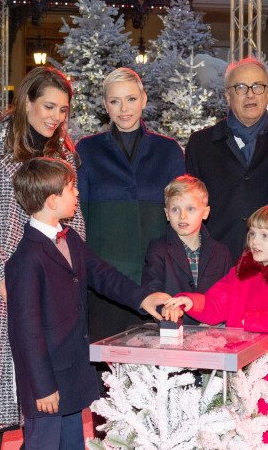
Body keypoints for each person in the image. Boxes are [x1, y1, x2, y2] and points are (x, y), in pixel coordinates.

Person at [0, 67, 86, 449]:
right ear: (26, 101)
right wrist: (1, 275)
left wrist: (69, 282)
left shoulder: (64, 156)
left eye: (63, 110)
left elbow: (74, 224)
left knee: (46, 404)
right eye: (48, 106)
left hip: (49, 294)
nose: (55, 117)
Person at [6, 157, 169, 450]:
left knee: (72, 443)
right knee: (43, 444)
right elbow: (25, 331)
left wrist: (144, 298)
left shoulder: (70, 239)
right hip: (46, 384)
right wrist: (42, 387)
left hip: (71, 371)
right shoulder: (26, 259)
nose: (78, 193)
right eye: (72, 188)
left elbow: (104, 275)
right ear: (53, 200)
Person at [164, 204, 268, 449]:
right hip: (241, 373)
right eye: (253, 233)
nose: (256, 241)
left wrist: (260, 319)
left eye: (266, 235)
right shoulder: (241, 274)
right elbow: (214, 304)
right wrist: (190, 300)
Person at [76, 67, 185, 343]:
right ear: (105, 106)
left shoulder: (168, 150)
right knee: (106, 372)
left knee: (157, 371)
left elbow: (181, 217)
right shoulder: (87, 151)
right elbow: (79, 220)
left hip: (156, 280)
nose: (124, 108)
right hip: (105, 285)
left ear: (144, 99)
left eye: (131, 99)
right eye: (115, 101)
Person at [185, 57, 268, 262]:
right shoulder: (200, 145)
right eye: (241, 87)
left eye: (258, 87)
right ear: (227, 95)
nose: (250, 94)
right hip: (216, 268)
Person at [141, 175, 233, 324]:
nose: (182, 216)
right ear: (167, 214)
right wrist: (165, 309)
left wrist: (215, 318)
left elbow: (228, 295)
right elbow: (152, 289)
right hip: (172, 333)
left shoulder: (221, 252)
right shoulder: (158, 248)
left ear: (205, 212)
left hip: (211, 335)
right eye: (175, 209)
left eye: (190, 209)